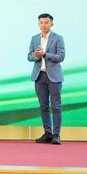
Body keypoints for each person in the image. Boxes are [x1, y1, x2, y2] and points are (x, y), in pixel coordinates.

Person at [28, 13, 65, 145]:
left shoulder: (58, 38)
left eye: (46, 22)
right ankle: (48, 133)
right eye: (41, 23)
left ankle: (56, 134)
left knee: (56, 106)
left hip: (54, 77)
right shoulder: (34, 38)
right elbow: (29, 57)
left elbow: (61, 57)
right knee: (43, 106)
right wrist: (35, 56)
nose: (43, 25)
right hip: (39, 76)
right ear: (38, 24)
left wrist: (45, 54)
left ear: (51, 24)